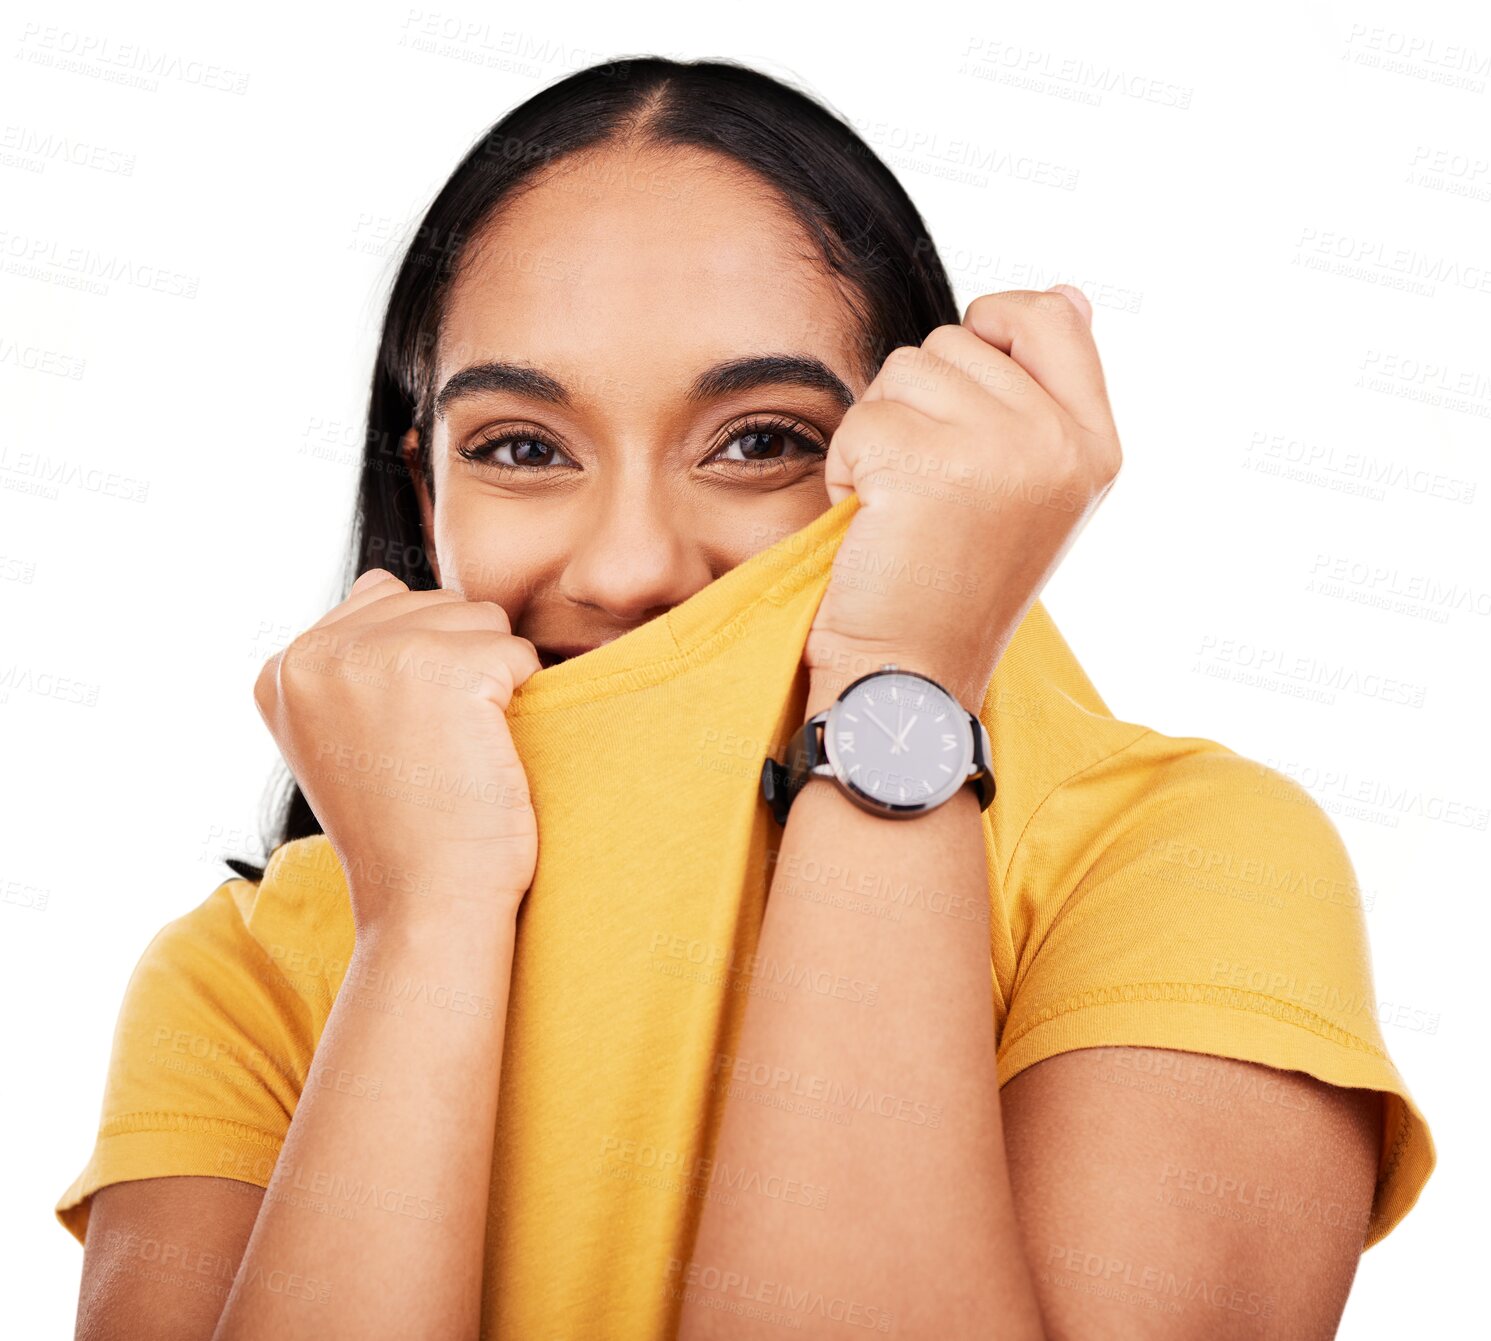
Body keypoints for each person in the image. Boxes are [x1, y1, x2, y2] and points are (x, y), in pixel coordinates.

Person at [59, 57, 1434, 1340]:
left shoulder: (1176, 861)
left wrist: (903, 674)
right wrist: (424, 920)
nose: (630, 565)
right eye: (524, 446)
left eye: (763, 441)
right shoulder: (248, 971)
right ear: (426, 492)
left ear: (917, 457)